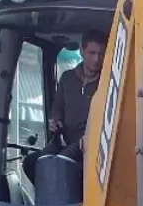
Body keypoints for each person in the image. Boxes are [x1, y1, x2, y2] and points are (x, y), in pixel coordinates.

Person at [23, 29, 109, 185]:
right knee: (33, 163)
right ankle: (47, 202)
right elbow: (57, 107)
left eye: (101, 54)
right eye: (92, 53)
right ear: (82, 51)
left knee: (63, 164)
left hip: (92, 148)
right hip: (65, 141)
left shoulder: (108, 83)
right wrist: (54, 120)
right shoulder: (67, 78)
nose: (96, 59)